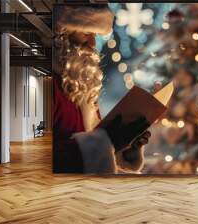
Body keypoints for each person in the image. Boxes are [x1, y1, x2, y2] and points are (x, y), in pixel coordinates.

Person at [52, 4, 150, 174]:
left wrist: (124, 148)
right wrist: (107, 141)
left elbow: (95, 139)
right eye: (86, 33)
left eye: (95, 35)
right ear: (62, 36)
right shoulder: (51, 85)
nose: (92, 43)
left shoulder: (82, 85)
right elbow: (49, 156)